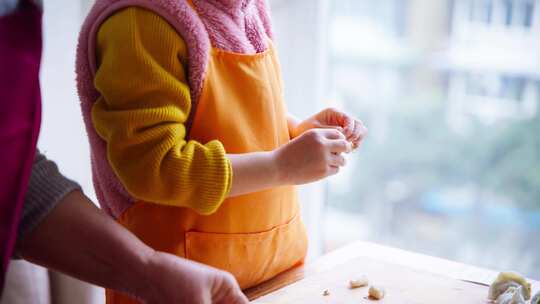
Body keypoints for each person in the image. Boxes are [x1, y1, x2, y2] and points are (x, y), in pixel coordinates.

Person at [76, 0, 368, 303]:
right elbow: (153, 166)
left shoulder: (248, 9)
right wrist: (280, 167)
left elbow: (237, 121)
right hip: (181, 289)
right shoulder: (142, 21)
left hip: (275, 275)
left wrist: (294, 131)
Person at [0, 1, 248, 303]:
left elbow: (10, 175)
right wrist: (280, 166)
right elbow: (156, 165)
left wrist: (151, 273)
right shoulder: (136, 22)